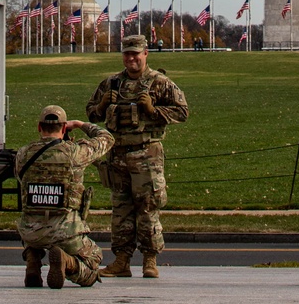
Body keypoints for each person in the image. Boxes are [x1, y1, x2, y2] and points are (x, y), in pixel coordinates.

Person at [86, 33, 189, 278]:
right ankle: (121, 260)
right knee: (121, 209)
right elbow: (91, 113)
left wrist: (153, 110)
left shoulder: (159, 82)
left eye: (136, 53)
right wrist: (101, 106)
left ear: (145, 54)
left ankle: (149, 260)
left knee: (147, 207)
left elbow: (182, 112)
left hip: (147, 155)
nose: (131, 58)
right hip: (117, 155)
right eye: (127, 53)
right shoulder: (111, 84)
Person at [14, 104, 114, 288]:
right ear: (63, 127)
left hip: (31, 231)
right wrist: (80, 124)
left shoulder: (22, 154)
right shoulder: (74, 152)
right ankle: (67, 262)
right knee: (93, 261)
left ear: (39, 127)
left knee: (34, 215)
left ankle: (33, 263)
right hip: (66, 233)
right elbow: (107, 138)